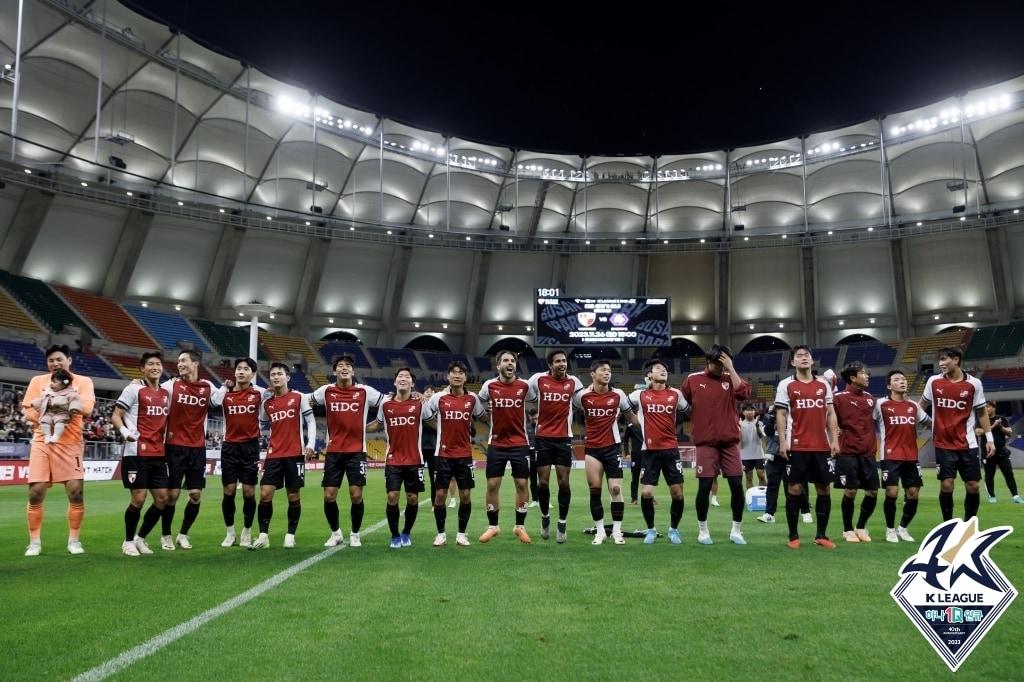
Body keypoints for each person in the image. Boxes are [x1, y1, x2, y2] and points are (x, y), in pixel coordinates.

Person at [22, 344, 95, 556]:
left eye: (59, 359)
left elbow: (87, 408)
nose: (55, 363)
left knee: (76, 493)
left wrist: (54, 411)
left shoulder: (83, 382)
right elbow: (28, 410)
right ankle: (34, 542)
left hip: (70, 442)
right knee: (36, 492)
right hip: (42, 440)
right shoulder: (38, 381)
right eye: (51, 360)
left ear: (69, 360)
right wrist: (49, 418)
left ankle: (74, 540)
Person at [308, 355, 384, 548]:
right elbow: (304, 401)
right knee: (329, 496)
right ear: (334, 371)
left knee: (356, 495)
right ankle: (335, 533)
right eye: (340, 366)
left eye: (348, 366)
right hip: (333, 451)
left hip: (357, 451)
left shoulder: (365, 391)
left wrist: (412, 397)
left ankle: (355, 534)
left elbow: (388, 402)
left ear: (353, 371)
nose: (344, 368)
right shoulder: (326, 391)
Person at [680, 344, 750, 545]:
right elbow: (680, 402)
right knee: (705, 486)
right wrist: (696, 419)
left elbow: (744, 394)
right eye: (718, 364)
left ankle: (736, 530)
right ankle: (703, 530)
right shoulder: (693, 380)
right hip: (705, 443)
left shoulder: (730, 378)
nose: (721, 368)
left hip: (729, 443)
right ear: (709, 362)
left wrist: (731, 368)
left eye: (724, 364)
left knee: (737, 485)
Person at [775, 346, 840, 550]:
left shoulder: (823, 385)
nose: (803, 358)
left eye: (806, 356)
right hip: (797, 445)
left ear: (812, 361)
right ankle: (793, 536)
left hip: (821, 445)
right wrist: (783, 441)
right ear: (793, 362)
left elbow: (830, 413)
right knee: (795, 489)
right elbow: (781, 414)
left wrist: (835, 439)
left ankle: (821, 535)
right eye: (799, 356)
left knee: (824, 488)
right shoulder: (786, 385)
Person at [919, 347, 994, 521]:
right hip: (943, 443)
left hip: (968, 443)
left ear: (956, 360)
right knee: (946, 484)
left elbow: (982, 412)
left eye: (944, 359)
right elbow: (920, 406)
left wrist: (989, 439)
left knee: (973, 486)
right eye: (940, 360)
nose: (940, 363)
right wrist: (927, 422)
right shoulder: (933, 381)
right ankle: (948, 524)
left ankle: (969, 524)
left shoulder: (974, 384)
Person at [250, 363, 315, 550]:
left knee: (293, 495)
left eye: (280, 374)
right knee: (265, 494)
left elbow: (310, 421)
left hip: (295, 454)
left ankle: (290, 535)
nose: (276, 377)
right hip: (273, 455)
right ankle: (263, 536)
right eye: (273, 374)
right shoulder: (267, 404)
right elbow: (261, 426)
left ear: (288, 377)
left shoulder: (299, 397)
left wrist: (310, 445)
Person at [112, 351, 170, 556]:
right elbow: (116, 415)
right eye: (150, 364)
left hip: (158, 453)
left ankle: (140, 538)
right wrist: (125, 433)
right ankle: (127, 541)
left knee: (163, 498)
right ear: (142, 368)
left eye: (158, 364)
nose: (155, 367)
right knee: (138, 498)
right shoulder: (133, 389)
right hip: (135, 452)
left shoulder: (166, 393)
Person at [423, 360, 487, 546]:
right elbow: (427, 415)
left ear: (465, 377)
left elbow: (482, 416)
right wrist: (440, 429)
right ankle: (441, 534)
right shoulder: (438, 398)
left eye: (461, 373)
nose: (457, 375)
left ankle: (461, 533)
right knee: (440, 495)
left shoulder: (472, 399)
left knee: (465, 495)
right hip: (443, 454)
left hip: (465, 454)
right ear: (448, 376)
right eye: (453, 372)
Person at [477, 350, 538, 544]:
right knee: (493, 484)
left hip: (520, 442)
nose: (509, 363)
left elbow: (535, 402)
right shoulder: (489, 386)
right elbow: (478, 403)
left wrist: (533, 417)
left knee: (522, 484)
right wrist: (486, 413)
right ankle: (493, 526)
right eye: (505, 360)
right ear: (498, 366)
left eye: (512, 360)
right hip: (496, 442)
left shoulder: (525, 386)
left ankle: (520, 526)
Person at [573, 360, 635, 545]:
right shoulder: (582, 396)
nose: (607, 373)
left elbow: (630, 415)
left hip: (612, 447)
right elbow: (567, 408)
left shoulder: (618, 394)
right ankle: (600, 531)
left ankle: (617, 531)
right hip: (592, 449)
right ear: (593, 373)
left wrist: (646, 428)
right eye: (603, 370)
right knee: (595, 491)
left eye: (609, 370)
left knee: (616, 490)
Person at [161, 350, 218, 550]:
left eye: (184, 360)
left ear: (196, 364)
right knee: (172, 495)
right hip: (174, 447)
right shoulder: (170, 385)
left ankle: (183, 534)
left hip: (197, 449)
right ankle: (166, 535)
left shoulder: (208, 387)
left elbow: (224, 399)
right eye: (178, 361)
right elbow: (152, 391)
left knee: (195, 495)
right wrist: (138, 384)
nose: (179, 364)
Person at [629, 359, 690, 544]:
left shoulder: (676, 394)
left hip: (671, 450)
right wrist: (635, 420)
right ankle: (651, 530)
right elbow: (620, 403)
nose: (663, 370)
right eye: (658, 369)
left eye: (665, 369)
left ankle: (673, 529)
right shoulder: (639, 395)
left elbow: (688, 410)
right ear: (649, 375)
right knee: (646, 493)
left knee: (678, 494)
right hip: (649, 452)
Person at [527, 350, 584, 543]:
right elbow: (528, 396)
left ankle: (562, 522)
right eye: (557, 361)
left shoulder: (574, 382)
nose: (562, 364)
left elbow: (581, 402)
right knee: (542, 483)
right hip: (542, 437)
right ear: (550, 365)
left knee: (564, 482)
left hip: (563, 438)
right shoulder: (538, 379)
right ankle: (545, 518)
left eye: (564, 360)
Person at [370, 367, 428, 548]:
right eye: (400, 376)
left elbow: (435, 419)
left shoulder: (421, 404)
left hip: (415, 459)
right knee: (392, 496)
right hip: (393, 459)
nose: (403, 378)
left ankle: (406, 533)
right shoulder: (385, 404)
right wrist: (355, 428)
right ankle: (394, 535)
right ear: (395, 382)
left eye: (407, 376)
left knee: (412, 498)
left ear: (412, 383)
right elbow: (377, 425)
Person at [210, 358, 265, 548]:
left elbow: (279, 396)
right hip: (229, 447)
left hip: (250, 447)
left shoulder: (259, 393)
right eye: (239, 369)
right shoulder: (225, 394)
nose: (241, 372)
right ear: (234, 373)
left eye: (246, 369)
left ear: (252, 374)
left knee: (249, 492)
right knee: (229, 491)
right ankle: (230, 532)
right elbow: (212, 400)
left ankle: (247, 531)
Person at [875, 370, 931, 543]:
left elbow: (928, 422)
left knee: (913, 493)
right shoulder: (880, 404)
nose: (902, 382)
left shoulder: (914, 406)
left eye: (904, 379)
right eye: (897, 379)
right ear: (888, 385)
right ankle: (890, 529)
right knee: (892, 492)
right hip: (890, 455)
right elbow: (864, 421)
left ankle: (903, 528)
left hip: (911, 456)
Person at [832, 361, 880, 543]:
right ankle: (847, 529)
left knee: (873, 492)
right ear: (853, 378)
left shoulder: (870, 398)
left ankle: (860, 526)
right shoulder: (839, 398)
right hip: (848, 452)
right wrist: (834, 437)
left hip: (868, 452)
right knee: (850, 491)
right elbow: (829, 421)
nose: (867, 376)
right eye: (863, 373)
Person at [758, 405, 811, 524]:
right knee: (772, 485)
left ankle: (805, 512)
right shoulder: (771, 413)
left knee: (797, 484)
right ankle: (769, 514)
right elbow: (767, 433)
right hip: (774, 454)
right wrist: (772, 422)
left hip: (793, 453)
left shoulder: (796, 411)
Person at [978, 400, 1022, 504]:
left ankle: (1015, 496)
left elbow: (1010, 432)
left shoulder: (1001, 419)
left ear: (994, 408)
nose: (986, 409)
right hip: (988, 453)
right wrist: (993, 426)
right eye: (985, 407)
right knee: (989, 475)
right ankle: (992, 496)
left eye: (988, 407)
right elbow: (978, 432)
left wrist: (1000, 426)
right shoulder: (982, 419)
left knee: (1009, 474)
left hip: (1002, 452)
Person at [30, 369, 83, 444]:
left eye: (54, 382)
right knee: (44, 421)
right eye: (51, 381)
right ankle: (47, 435)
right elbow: (43, 400)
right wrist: (34, 403)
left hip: (61, 412)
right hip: (49, 412)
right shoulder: (48, 391)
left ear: (64, 384)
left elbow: (74, 400)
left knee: (59, 422)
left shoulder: (70, 393)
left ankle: (56, 436)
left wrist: (74, 408)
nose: (51, 384)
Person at [739, 403, 767, 489]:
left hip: (758, 454)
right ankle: (750, 499)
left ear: (755, 412)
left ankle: (763, 496)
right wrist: (739, 429)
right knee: (749, 478)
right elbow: (738, 441)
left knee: (761, 475)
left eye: (752, 409)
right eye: (747, 410)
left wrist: (757, 426)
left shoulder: (760, 423)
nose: (750, 411)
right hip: (745, 455)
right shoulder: (740, 424)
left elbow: (762, 436)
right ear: (743, 412)